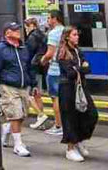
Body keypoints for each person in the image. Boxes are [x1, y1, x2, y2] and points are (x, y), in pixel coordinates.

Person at [0, 22, 34, 157]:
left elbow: (28, 67)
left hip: (23, 86)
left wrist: (33, 83)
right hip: (8, 86)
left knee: (22, 114)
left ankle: (7, 128)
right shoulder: (0, 49)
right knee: (15, 114)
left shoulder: (23, 48)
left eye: (18, 29)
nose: (18, 31)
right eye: (15, 30)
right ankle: (18, 145)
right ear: (7, 33)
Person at [57, 26, 98, 162]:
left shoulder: (78, 51)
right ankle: (70, 148)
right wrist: (82, 68)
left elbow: (88, 68)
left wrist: (79, 69)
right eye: (74, 34)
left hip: (81, 87)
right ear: (67, 36)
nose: (77, 36)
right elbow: (70, 73)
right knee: (70, 117)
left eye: (77, 34)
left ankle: (79, 139)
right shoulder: (63, 53)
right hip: (68, 88)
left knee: (91, 114)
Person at [41, 9, 65, 137]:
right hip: (65, 70)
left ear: (55, 19)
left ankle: (58, 125)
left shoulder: (53, 33)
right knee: (65, 98)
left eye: (49, 18)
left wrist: (42, 60)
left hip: (55, 69)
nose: (48, 21)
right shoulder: (65, 30)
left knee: (55, 98)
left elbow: (50, 53)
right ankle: (66, 124)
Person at [24, 17, 51, 129]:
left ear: (32, 25)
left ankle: (41, 116)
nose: (25, 29)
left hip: (33, 67)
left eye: (26, 26)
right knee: (37, 94)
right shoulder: (42, 35)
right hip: (41, 66)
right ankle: (41, 120)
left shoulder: (32, 37)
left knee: (29, 94)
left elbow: (28, 54)